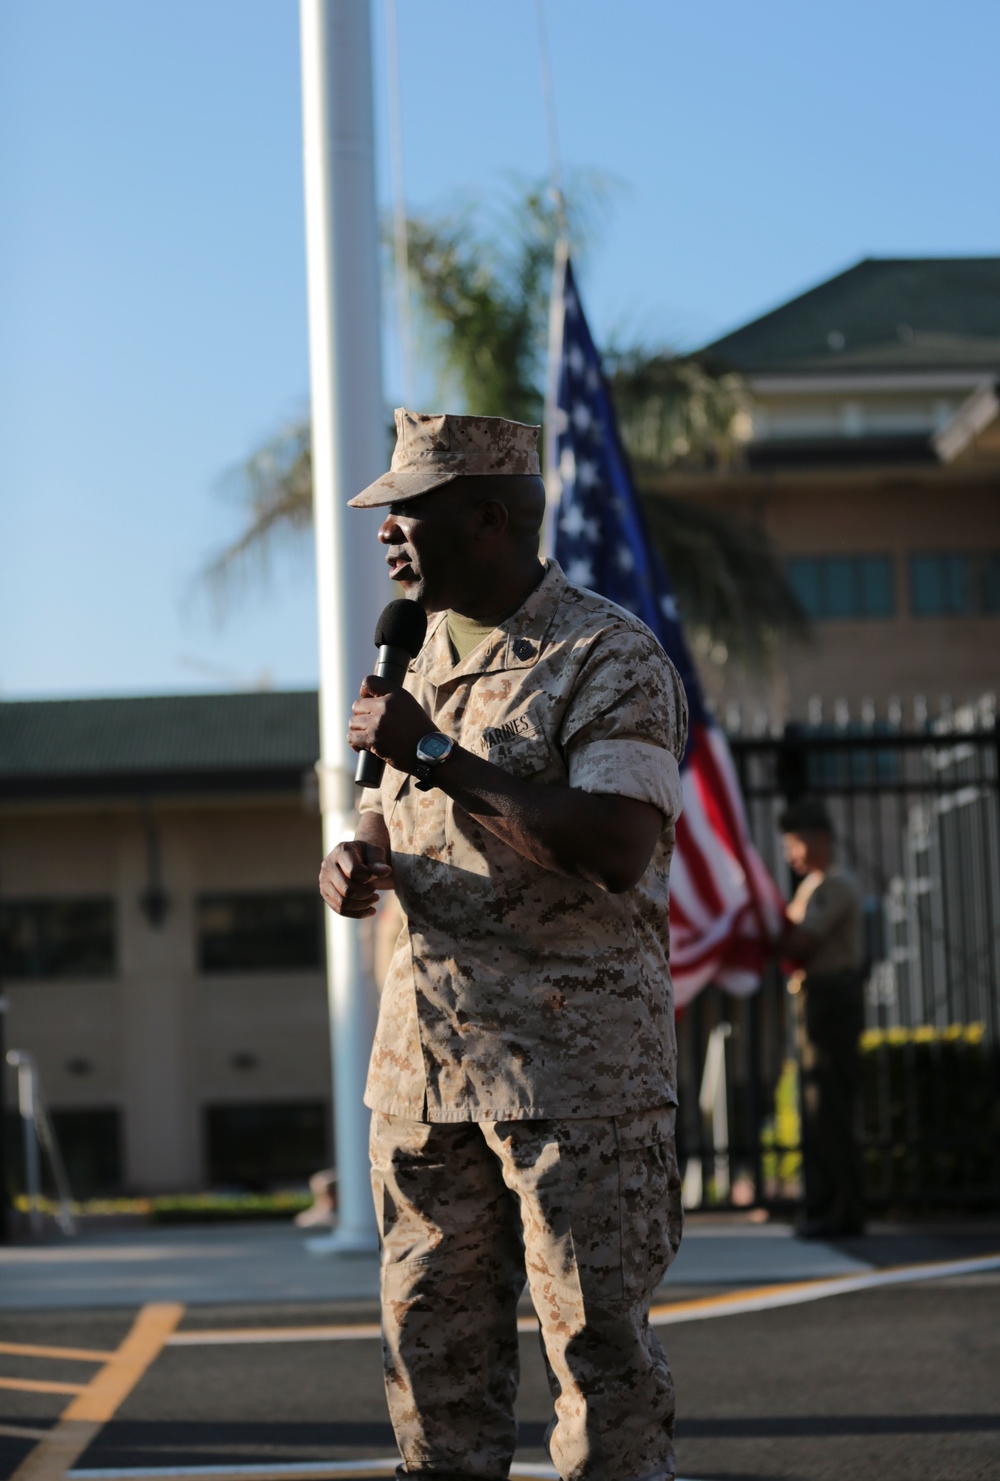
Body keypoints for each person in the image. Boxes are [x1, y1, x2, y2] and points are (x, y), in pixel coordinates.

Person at [319, 409, 688, 1481]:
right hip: (426, 1073)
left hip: (573, 1076)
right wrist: (354, 865)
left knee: (598, 1358)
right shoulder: (411, 651)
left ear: (489, 518)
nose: (385, 535)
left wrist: (431, 749)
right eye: (382, 516)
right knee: (432, 1363)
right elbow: (392, 822)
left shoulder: (606, 654)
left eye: (406, 514)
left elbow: (616, 844)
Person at [778, 799, 866, 1238]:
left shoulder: (835, 885)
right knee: (816, 1107)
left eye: (794, 844)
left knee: (829, 1108)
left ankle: (840, 1210)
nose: (791, 855)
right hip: (818, 1000)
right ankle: (824, 1205)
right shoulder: (814, 885)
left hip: (833, 1000)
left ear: (818, 839)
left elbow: (801, 942)